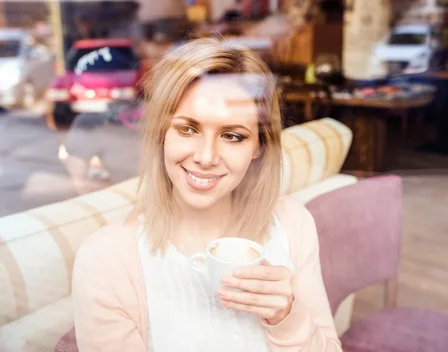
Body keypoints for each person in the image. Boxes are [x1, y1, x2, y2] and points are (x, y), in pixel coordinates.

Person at [71, 39, 342, 351]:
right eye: (188, 129)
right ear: (161, 134)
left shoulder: (292, 223)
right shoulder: (106, 260)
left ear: (259, 146)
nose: (206, 156)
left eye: (232, 136)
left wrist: (287, 316)